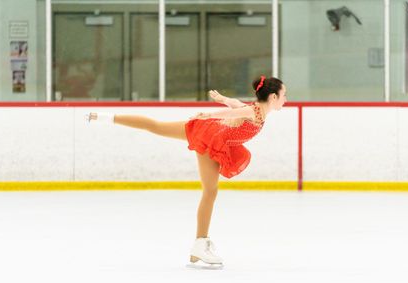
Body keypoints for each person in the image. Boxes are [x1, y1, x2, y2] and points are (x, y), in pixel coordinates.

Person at [86, 76, 287, 268]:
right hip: (209, 137)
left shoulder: (254, 110)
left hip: (207, 130)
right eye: (284, 95)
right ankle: (200, 243)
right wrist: (211, 114)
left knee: (157, 127)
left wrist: (223, 99)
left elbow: (235, 105)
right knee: (210, 191)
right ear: (273, 97)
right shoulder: (253, 112)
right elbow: (233, 113)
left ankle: (105, 117)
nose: (285, 99)